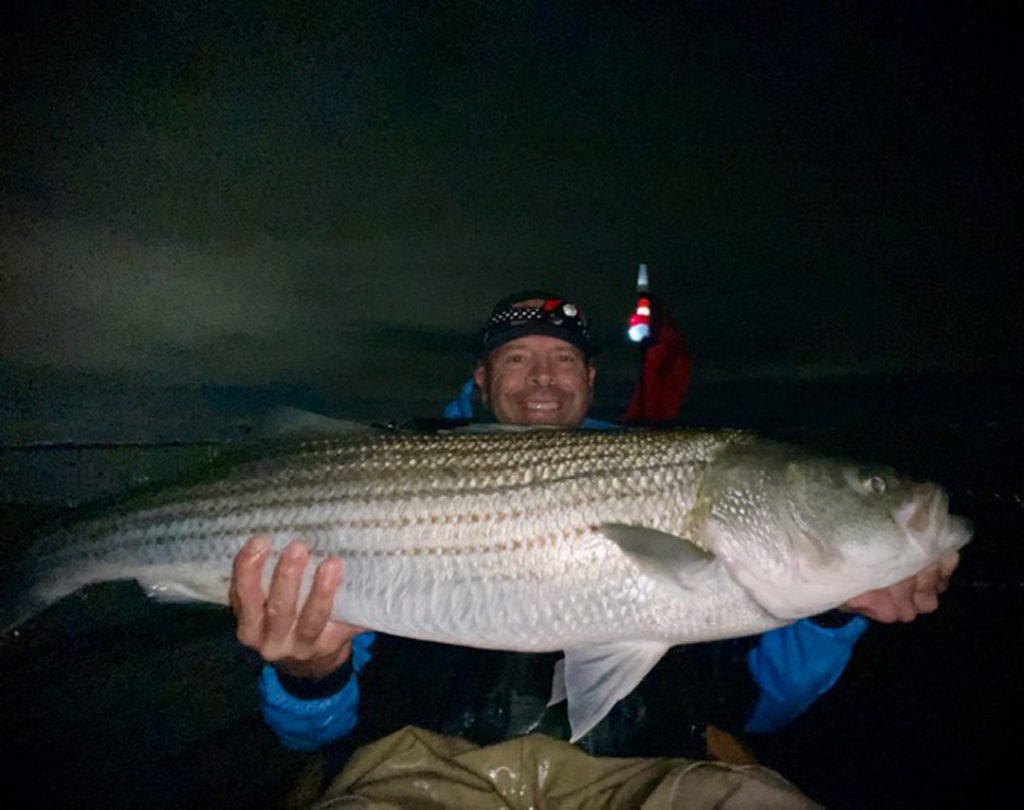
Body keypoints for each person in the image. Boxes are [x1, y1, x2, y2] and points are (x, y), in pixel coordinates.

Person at [231, 290, 959, 755]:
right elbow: (309, 736)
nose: (543, 378)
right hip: (433, 776)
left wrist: (835, 616)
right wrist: (308, 671)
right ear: (482, 381)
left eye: (564, 360)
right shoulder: (389, 466)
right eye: (517, 358)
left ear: (588, 383)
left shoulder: (688, 491)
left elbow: (762, 709)